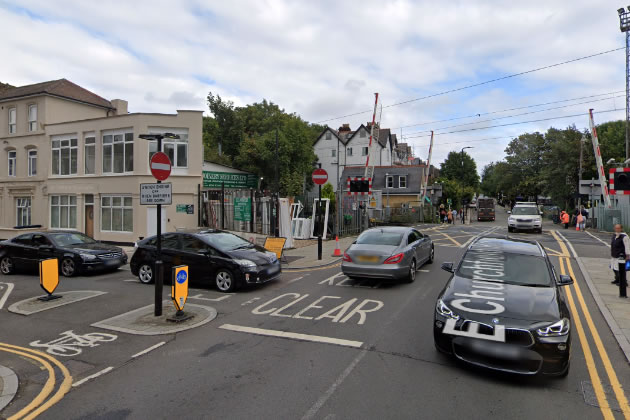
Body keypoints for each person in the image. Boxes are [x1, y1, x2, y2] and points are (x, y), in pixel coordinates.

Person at [611, 224, 630, 298]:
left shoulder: (624, 236)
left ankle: (623, 282)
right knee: (614, 268)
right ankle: (617, 279)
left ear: (621, 229)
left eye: (618, 228)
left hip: (621, 256)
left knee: (621, 269)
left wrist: (628, 255)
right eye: (616, 228)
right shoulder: (615, 235)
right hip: (614, 255)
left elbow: (627, 246)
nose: (617, 229)